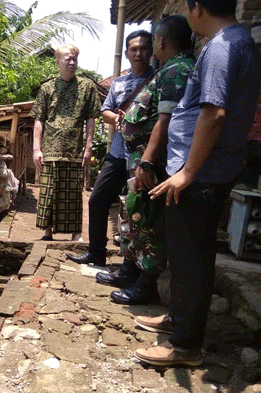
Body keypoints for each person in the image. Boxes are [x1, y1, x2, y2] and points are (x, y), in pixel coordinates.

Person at [134, 0, 261, 367]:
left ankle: (185, 346)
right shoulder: (239, 42)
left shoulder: (222, 47)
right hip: (207, 170)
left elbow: (214, 113)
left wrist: (187, 172)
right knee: (187, 252)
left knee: (191, 257)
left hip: (200, 175)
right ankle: (179, 317)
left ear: (197, 8)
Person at [106, 16, 195, 305]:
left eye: (152, 41)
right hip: (143, 161)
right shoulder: (168, 69)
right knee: (136, 218)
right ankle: (131, 272)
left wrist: (146, 162)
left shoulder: (176, 71)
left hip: (153, 166)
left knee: (149, 223)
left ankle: (146, 286)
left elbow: (166, 121)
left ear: (161, 42)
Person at [67, 31, 154, 266]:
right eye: (133, 49)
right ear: (126, 53)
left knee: (137, 209)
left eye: (143, 48)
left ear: (152, 51)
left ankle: (133, 265)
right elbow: (104, 111)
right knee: (97, 200)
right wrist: (116, 117)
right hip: (117, 152)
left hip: (143, 157)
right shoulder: (119, 82)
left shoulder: (157, 80)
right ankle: (96, 253)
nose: (138, 53)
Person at [30, 44, 101, 242]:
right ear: (58, 62)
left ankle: (76, 234)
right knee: (49, 191)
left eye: (75, 59)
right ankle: (48, 232)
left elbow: (91, 119)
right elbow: (38, 119)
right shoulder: (47, 88)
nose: (72, 63)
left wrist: (88, 148)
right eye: (68, 59)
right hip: (50, 147)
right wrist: (36, 149)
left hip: (74, 149)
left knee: (72, 193)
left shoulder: (87, 87)